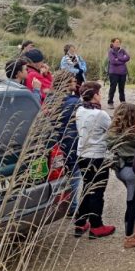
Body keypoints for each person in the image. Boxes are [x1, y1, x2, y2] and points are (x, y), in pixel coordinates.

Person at [74, 82, 116, 239]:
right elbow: (112, 130)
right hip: (97, 156)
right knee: (97, 191)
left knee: (87, 187)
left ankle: (80, 221)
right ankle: (96, 225)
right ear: (95, 95)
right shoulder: (100, 115)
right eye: (99, 93)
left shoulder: (79, 110)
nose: (101, 95)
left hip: (82, 155)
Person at [107, 103, 135, 248]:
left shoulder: (112, 133)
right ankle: (130, 237)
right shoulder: (132, 136)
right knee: (132, 202)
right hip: (132, 172)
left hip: (120, 170)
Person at [51, 71, 82, 216]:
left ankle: (64, 204)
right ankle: (72, 207)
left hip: (56, 141)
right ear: (66, 84)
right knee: (74, 174)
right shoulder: (74, 102)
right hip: (71, 141)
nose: (75, 83)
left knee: (62, 174)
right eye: (73, 81)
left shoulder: (51, 99)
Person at [107, 38, 130, 108]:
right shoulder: (110, 51)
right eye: (116, 42)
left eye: (119, 42)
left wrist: (118, 58)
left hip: (123, 73)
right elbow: (113, 61)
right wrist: (123, 59)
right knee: (113, 87)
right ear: (113, 43)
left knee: (122, 88)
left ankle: (122, 101)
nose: (118, 43)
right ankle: (110, 102)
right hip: (114, 73)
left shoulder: (122, 50)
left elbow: (128, 57)